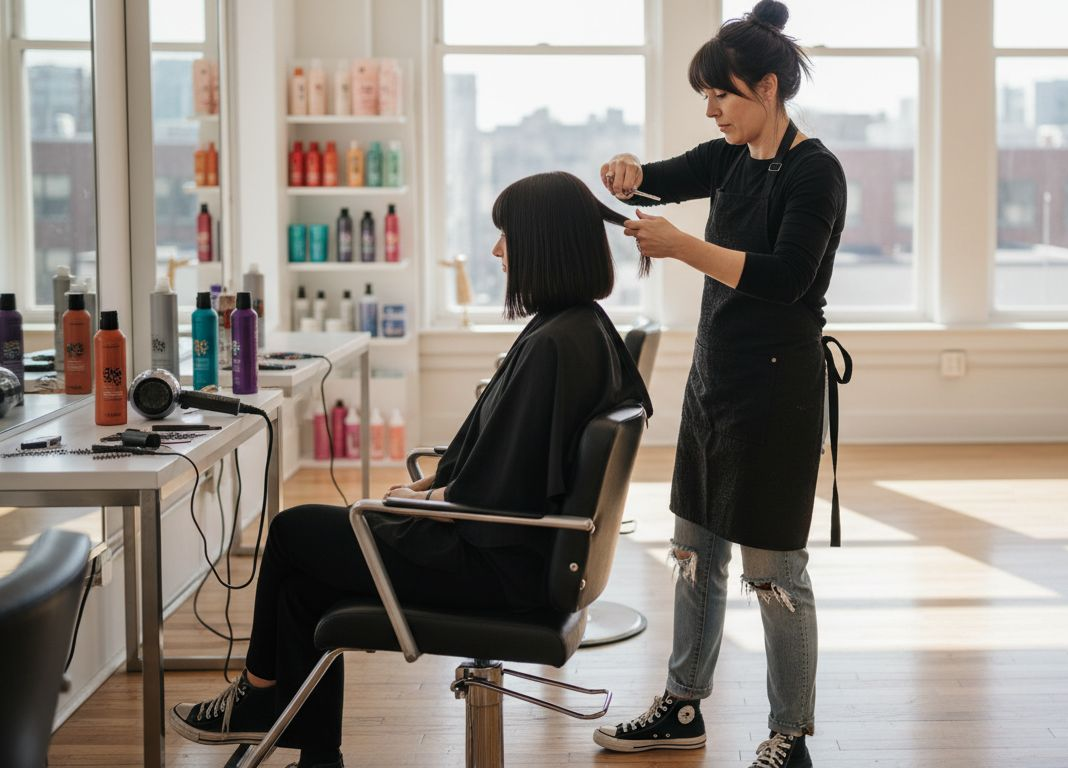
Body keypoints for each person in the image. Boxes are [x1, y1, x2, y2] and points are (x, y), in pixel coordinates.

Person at [169, 171, 653, 768]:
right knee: (304, 579)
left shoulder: (554, 343)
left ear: (543, 242)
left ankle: (257, 697)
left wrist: (428, 503)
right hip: (523, 556)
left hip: (496, 566)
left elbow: (506, 492)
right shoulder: (582, 328)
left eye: (507, 236)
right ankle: (315, 756)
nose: (497, 251)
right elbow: (516, 456)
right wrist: (440, 483)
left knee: (295, 531)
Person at [591, 3, 849, 768]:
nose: (712, 109)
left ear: (767, 88)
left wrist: (685, 247)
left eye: (722, 95)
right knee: (696, 554)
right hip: (716, 384)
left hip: (779, 392)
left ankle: (789, 736)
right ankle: (681, 707)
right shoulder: (731, 156)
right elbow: (657, 184)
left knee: (773, 573)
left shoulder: (815, 171)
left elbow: (784, 278)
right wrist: (629, 173)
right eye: (705, 97)